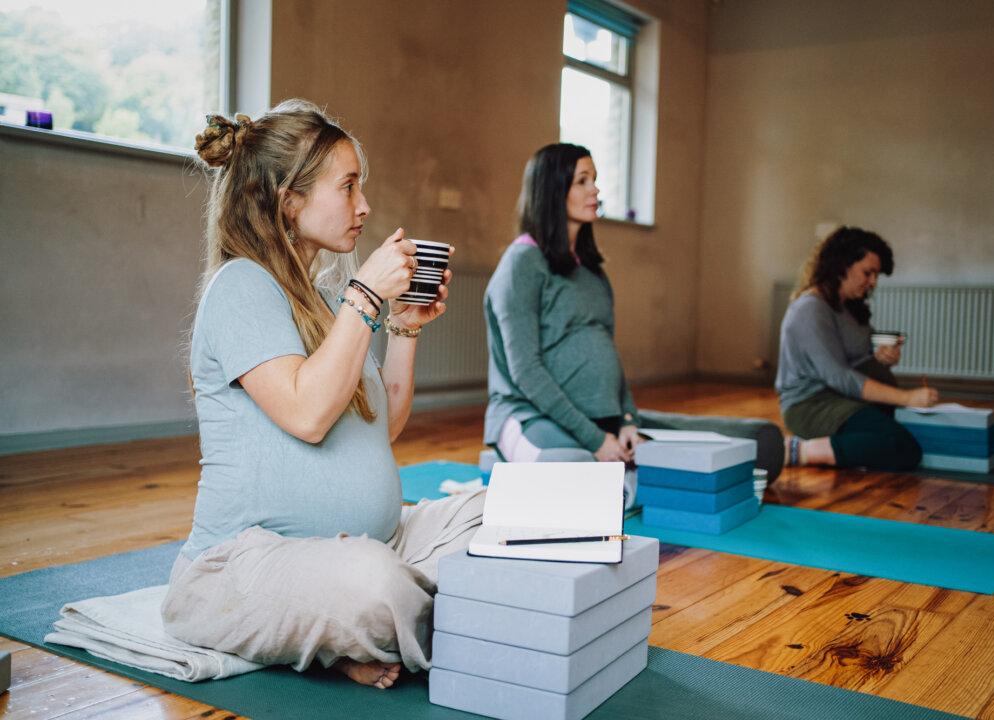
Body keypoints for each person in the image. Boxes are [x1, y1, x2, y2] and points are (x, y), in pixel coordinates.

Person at [161, 100, 484, 690]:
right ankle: (399, 617)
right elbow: (309, 415)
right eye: (348, 186)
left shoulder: (327, 299)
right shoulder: (240, 287)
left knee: (496, 514)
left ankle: (345, 630)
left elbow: (377, 430)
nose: (363, 206)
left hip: (363, 545)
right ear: (289, 198)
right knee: (374, 583)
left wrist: (406, 325)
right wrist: (365, 295)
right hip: (241, 568)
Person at [483, 143, 784, 492]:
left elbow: (609, 353)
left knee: (759, 445)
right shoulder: (522, 264)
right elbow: (525, 372)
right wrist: (595, 440)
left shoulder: (592, 271)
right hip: (528, 415)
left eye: (594, 179)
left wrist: (627, 421)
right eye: (582, 180)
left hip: (603, 419)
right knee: (577, 477)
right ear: (552, 189)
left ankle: (626, 472)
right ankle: (614, 476)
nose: (595, 189)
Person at [776, 226, 938, 470]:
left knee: (914, 434)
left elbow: (859, 356)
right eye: (867, 272)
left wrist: (882, 357)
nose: (873, 282)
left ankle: (845, 448)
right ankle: (800, 451)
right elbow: (839, 376)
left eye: (876, 275)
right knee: (904, 446)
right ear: (841, 265)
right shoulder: (810, 309)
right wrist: (907, 398)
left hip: (843, 398)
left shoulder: (848, 306)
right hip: (811, 405)